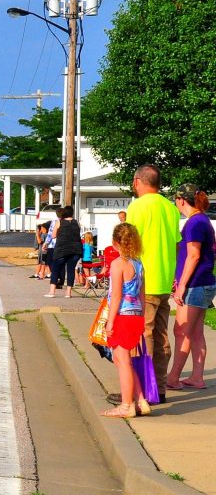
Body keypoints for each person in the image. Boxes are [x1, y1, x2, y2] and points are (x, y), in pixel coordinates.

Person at [111, 164, 180, 406]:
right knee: (161, 335)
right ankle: (159, 387)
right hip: (164, 280)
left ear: (138, 181)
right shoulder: (171, 208)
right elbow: (176, 244)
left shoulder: (138, 206)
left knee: (142, 337)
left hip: (143, 282)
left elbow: (129, 242)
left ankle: (141, 391)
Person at [166, 184, 215, 391]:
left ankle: (173, 378)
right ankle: (196, 377)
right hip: (204, 282)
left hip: (195, 284)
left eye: (175, 200)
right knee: (195, 332)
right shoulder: (202, 219)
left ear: (181, 200)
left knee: (182, 331)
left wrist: (181, 286)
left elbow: (193, 256)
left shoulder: (195, 222)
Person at [101, 222, 150, 418]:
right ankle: (141, 400)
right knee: (124, 360)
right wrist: (142, 317)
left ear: (115, 242)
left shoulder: (117, 264)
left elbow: (117, 296)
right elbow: (142, 295)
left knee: (122, 361)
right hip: (136, 315)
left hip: (122, 315)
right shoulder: (138, 264)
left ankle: (126, 405)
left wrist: (110, 322)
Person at [44, 206, 81, 298]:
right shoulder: (77, 222)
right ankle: (68, 293)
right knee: (71, 270)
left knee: (55, 269)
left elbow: (53, 235)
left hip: (62, 249)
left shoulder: (59, 222)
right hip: (76, 249)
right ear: (72, 213)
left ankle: (52, 292)